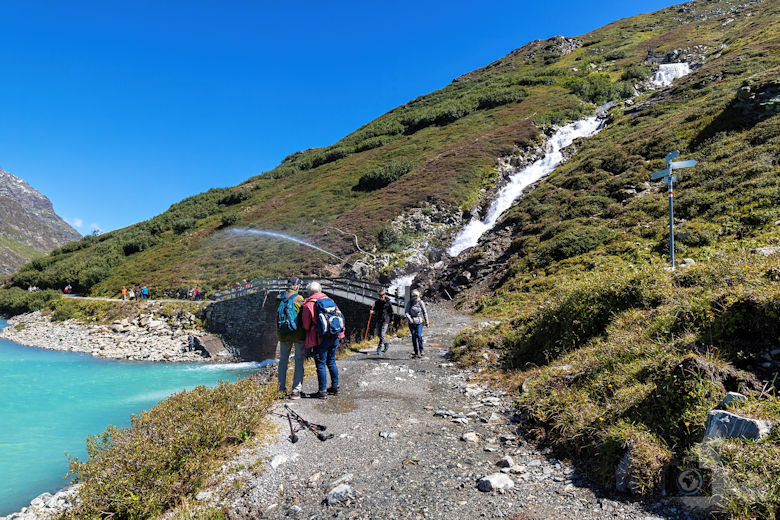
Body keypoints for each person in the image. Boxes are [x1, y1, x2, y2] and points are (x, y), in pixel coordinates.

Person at [301, 281, 344, 399]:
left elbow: (305, 325)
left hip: (320, 338)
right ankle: (335, 387)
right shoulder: (330, 300)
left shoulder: (309, 304)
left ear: (309, 292)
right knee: (331, 361)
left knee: (320, 364)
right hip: (334, 335)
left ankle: (322, 391)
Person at [276, 276, 306, 399]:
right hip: (298, 334)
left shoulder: (278, 298)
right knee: (298, 361)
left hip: (283, 334)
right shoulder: (299, 299)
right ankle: (295, 391)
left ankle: (281, 390)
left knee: (283, 361)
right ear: (297, 286)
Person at [405, 289, 429, 358]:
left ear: (418, 295)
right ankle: (415, 351)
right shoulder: (410, 302)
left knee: (419, 335)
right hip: (411, 321)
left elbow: (425, 312)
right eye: (414, 296)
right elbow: (406, 312)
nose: (415, 297)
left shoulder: (421, 302)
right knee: (413, 335)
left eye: (416, 295)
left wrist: (427, 322)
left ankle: (421, 350)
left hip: (419, 321)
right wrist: (409, 319)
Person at [373, 288, 393, 356]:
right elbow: (375, 310)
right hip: (378, 319)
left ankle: (379, 349)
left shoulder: (388, 302)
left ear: (385, 295)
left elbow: (391, 312)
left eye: (382, 295)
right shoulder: (377, 302)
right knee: (379, 334)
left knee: (382, 335)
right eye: (380, 295)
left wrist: (392, 320)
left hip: (385, 320)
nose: (381, 297)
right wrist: (372, 312)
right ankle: (386, 343)